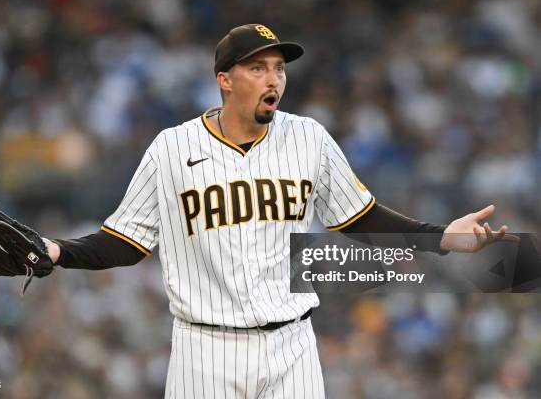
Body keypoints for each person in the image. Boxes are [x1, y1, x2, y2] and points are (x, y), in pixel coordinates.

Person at [38, 24, 515, 398]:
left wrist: (441, 238)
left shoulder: (308, 138)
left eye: (279, 69)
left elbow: (360, 218)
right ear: (224, 80)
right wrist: (59, 251)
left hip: (293, 346)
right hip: (206, 351)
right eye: (258, 68)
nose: (274, 79)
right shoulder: (172, 149)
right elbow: (126, 240)